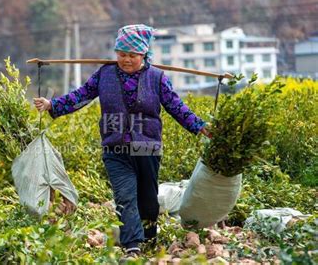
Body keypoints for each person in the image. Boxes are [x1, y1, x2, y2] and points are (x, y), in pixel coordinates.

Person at [33, 24, 211, 260]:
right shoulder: (104, 75)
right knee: (125, 196)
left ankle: (148, 239)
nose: (126, 60)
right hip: (114, 148)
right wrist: (52, 104)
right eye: (122, 54)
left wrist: (200, 126)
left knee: (148, 199)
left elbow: (177, 107)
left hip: (147, 147)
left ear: (143, 55)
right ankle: (132, 246)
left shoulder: (157, 78)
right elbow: (81, 95)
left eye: (132, 55)